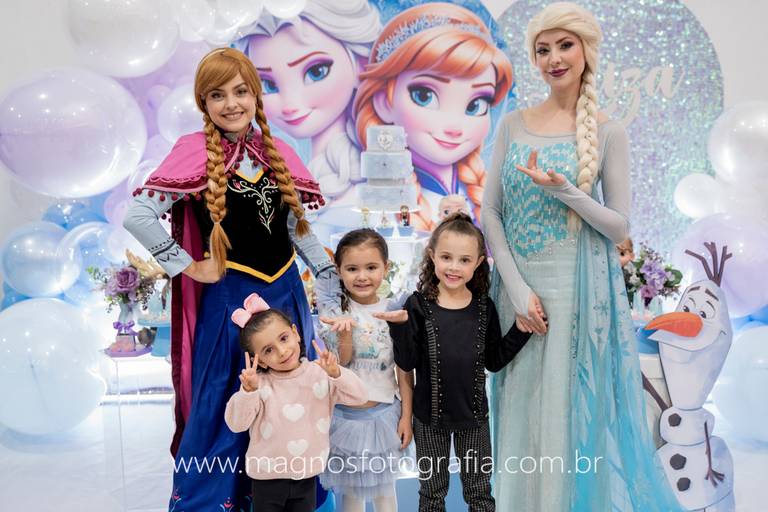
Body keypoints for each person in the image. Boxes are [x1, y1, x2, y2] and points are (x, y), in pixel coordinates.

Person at [481, 3, 684, 510]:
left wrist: (566, 191)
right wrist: (518, 290)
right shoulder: (513, 124)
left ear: (586, 50)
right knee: (517, 411)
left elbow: (619, 226)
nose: (554, 58)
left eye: (564, 46)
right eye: (542, 50)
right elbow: (490, 212)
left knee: (566, 417)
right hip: (517, 295)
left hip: (576, 296)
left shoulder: (609, 131)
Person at [123, 48, 339, 511]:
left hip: (287, 298)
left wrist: (324, 270)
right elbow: (137, 215)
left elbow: (294, 226)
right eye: (217, 95)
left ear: (255, 95)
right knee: (229, 397)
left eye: (240, 91)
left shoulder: (277, 152)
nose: (231, 103)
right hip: (230, 304)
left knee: (291, 395)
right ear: (203, 102)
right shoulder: (194, 153)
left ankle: (288, 495)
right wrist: (189, 265)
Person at [378, 213, 531, 512]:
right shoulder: (417, 305)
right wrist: (399, 328)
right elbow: (407, 362)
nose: (454, 267)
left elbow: (494, 361)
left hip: (474, 420)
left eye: (464, 260)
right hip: (428, 420)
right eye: (446, 257)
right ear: (432, 256)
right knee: (432, 495)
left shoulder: (484, 307)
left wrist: (520, 331)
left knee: (479, 494)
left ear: (478, 263)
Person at [353, 3, 513, 230]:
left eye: (475, 105)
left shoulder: (485, 190)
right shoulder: (381, 197)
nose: (455, 127)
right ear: (384, 101)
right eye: (425, 96)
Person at [236, 0, 382, 230]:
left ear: (361, 65)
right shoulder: (268, 167)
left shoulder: (375, 173)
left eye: (316, 71)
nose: (290, 105)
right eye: (268, 84)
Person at [224, 294, 368, 512]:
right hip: (266, 480)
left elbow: (360, 396)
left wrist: (337, 373)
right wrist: (247, 392)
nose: (282, 351)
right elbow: (236, 424)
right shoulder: (258, 385)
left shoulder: (320, 374)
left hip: (307, 477)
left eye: (283, 339)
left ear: (296, 333)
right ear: (259, 360)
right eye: (268, 350)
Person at [316, 229, 414, 512]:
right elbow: (342, 365)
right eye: (352, 269)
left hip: (384, 416)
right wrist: (344, 332)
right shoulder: (335, 312)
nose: (362, 276)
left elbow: (404, 370)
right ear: (339, 270)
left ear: (385, 267)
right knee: (351, 497)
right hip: (345, 419)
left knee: (386, 495)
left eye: (371, 267)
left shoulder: (395, 310)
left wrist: (406, 417)